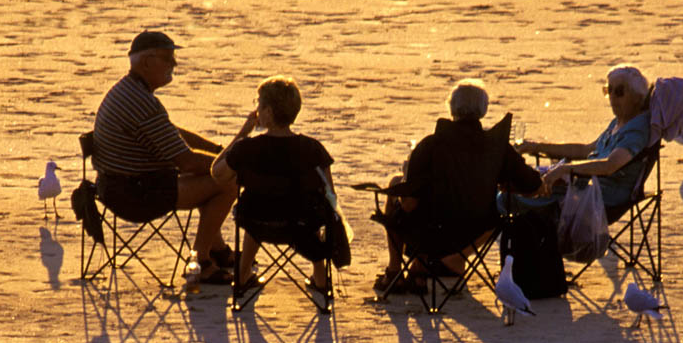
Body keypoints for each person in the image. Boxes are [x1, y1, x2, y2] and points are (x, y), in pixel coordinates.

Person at [92, 30, 237, 284]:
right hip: (135, 196)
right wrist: (233, 163)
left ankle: (218, 251)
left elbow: (174, 133)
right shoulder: (141, 102)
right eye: (168, 59)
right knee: (229, 181)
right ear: (147, 62)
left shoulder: (129, 91)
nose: (174, 65)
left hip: (113, 186)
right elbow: (187, 160)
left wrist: (217, 150)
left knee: (210, 173)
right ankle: (201, 261)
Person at [374, 79, 542, 294]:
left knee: (403, 195)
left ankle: (395, 272)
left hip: (434, 232)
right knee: (494, 215)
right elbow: (533, 184)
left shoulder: (431, 145)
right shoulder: (497, 148)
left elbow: (409, 204)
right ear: (483, 110)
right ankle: (421, 268)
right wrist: (506, 185)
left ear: (452, 109)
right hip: (476, 229)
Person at [211, 75, 337, 295]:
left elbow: (217, 174)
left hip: (258, 222)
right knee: (312, 208)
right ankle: (320, 279)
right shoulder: (313, 149)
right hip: (301, 226)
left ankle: (242, 275)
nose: (257, 110)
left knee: (259, 203)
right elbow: (330, 196)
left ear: (268, 112)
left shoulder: (247, 148)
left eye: (259, 105)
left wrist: (241, 134)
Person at [517, 65, 652, 211]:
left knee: (519, 194)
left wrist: (565, 170)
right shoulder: (618, 122)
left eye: (619, 92)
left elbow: (610, 165)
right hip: (586, 185)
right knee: (520, 183)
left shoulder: (635, 131)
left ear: (637, 98)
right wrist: (538, 147)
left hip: (603, 195)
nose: (612, 97)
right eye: (608, 90)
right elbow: (584, 150)